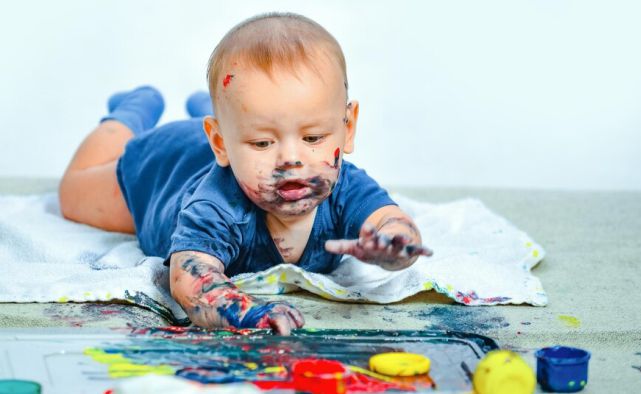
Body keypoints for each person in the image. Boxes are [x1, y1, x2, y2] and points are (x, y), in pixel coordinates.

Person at [58, 12, 432, 335]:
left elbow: (391, 221)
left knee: (251, 115)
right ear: (220, 143)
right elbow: (190, 280)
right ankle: (132, 109)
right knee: (73, 194)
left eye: (313, 137)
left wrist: (395, 246)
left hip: (224, 131)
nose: (290, 160)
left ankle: (217, 111)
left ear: (347, 129)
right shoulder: (216, 206)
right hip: (162, 165)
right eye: (262, 144)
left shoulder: (345, 186)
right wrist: (243, 310)